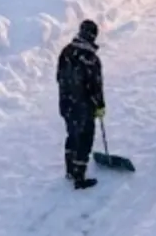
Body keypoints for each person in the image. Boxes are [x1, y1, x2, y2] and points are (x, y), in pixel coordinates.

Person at [55, 19, 105, 189]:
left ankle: (70, 169)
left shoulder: (66, 51)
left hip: (65, 102)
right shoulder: (90, 58)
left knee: (72, 134)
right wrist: (99, 106)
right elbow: (96, 86)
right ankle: (79, 176)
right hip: (83, 106)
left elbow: (58, 77)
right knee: (85, 138)